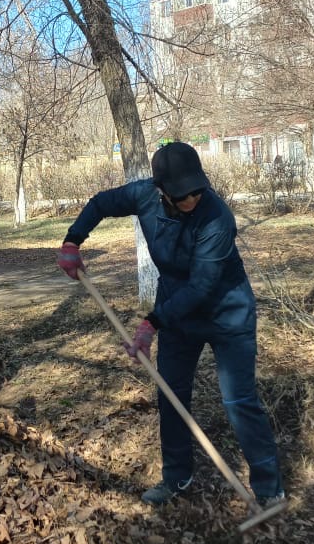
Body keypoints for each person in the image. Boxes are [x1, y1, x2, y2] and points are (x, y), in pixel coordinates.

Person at [57, 141, 284, 508]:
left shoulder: (217, 219)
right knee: (171, 394)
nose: (191, 199)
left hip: (227, 311)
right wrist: (73, 241)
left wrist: (152, 323)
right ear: (161, 190)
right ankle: (177, 476)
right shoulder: (144, 195)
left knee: (239, 399)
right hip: (178, 313)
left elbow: (202, 286)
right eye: (182, 195)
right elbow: (100, 203)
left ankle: (269, 488)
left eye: (196, 191)